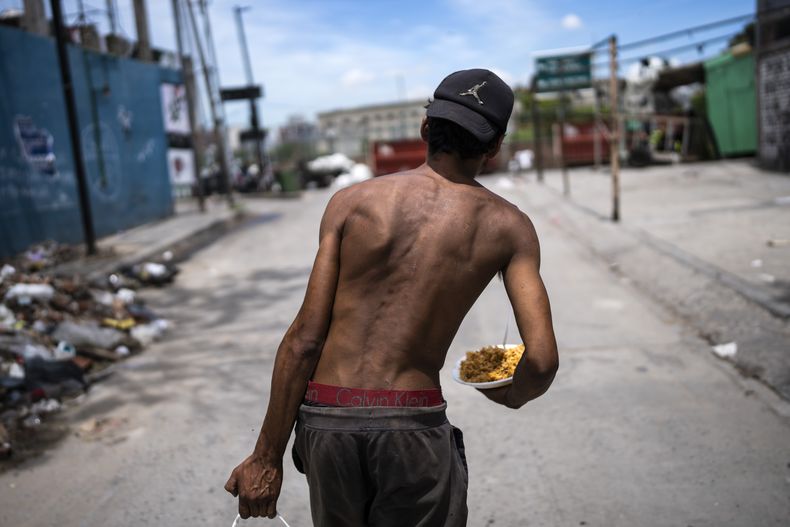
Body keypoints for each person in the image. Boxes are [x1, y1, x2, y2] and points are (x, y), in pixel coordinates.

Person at [225, 69, 559, 526]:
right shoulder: (510, 227)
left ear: (425, 128)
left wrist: (266, 457)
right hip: (411, 425)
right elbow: (541, 361)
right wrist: (510, 395)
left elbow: (304, 338)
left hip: (328, 423)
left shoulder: (350, 203)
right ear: (495, 146)